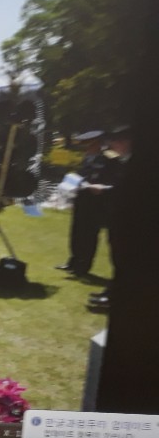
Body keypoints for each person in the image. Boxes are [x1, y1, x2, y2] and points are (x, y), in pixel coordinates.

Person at [87, 126, 133, 311]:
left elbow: (127, 190)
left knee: (124, 260)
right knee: (117, 258)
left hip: (130, 220)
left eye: (116, 142)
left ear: (126, 142)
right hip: (118, 217)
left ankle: (116, 297)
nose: (113, 145)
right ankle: (112, 292)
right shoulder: (123, 161)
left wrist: (104, 190)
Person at [55, 130, 109, 276]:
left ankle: (83, 266)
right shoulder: (86, 159)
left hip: (95, 203)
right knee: (76, 232)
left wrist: (91, 185)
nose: (86, 148)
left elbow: (104, 181)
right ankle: (73, 262)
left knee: (89, 235)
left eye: (89, 145)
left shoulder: (105, 161)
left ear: (97, 144)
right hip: (81, 200)